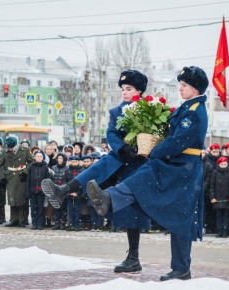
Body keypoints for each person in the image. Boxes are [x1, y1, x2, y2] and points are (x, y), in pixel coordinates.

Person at [83, 66, 209, 281]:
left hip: (182, 166)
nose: (180, 88)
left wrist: (153, 151)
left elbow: (177, 141)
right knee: (145, 179)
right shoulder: (188, 107)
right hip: (177, 164)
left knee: (181, 215)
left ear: (195, 88)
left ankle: (181, 268)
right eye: (180, 84)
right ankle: (109, 198)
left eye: (184, 85)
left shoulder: (194, 111)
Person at [42, 69, 150, 273]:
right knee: (99, 165)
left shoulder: (150, 110)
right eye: (122, 89)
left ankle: (133, 257)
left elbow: (156, 133)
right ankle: (63, 190)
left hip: (140, 163)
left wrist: (141, 148)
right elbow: (110, 133)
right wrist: (123, 147)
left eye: (128, 89)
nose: (124, 93)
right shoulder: (117, 111)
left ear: (140, 90)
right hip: (121, 157)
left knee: (132, 210)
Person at [0, 137, 33, 227]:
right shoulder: (5, 152)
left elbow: (31, 162)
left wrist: (25, 172)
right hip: (10, 177)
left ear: (16, 145)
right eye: (9, 147)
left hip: (21, 176)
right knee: (12, 199)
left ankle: (22, 219)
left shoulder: (24, 150)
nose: (10, 149)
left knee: (21, 199)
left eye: (11, 147)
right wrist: (2, 176)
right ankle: (13, 219)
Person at [210, 157, 229, 238]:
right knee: (218, 216)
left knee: (226, 216)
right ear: (219, 165)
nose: (223, 165)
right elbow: (212, 186)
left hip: (227, 199)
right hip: (217, 198)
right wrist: (212, 197)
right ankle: (219, 231)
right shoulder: (215, 173)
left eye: (225, 164)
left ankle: (225, 231)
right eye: (222, 164)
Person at [26, 150, 50, 230]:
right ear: (34, 158)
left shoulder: (45, 167)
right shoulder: (31, 167)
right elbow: (28, 180)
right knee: (33, 208)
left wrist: (45, 190)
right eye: (38, 156)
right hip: (33, 191)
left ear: (43, 158)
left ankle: (40, 223)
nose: (39, 158)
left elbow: (47, 180)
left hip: (41, 192)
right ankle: (34, 223)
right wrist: (28, 191)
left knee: (40, 208)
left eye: (40, 156)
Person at [51, 153, 70, 230]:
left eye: (61, 158)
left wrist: (63, 188)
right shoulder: (53, 168)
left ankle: (62, 222)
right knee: (56, 207)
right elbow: (51, 179)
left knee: (63, 208)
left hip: (63, 191)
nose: (59, 160)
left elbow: (67, 180)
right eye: (58, 158)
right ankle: (56, 222)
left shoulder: (67, 169)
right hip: (55, 191)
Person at [65, 155, 84, 231]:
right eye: (73, 162)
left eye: (76, 162)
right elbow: (65, 182)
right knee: (70, 211)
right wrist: (68, 192)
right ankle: (71, 225)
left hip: (78, 194)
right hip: (69, 194)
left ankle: (77, 225)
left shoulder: (81, 171)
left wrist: (78, 193)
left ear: (78, 162)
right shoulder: (67, 171)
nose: (74, 163)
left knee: (77, 210)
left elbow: (82, 183)